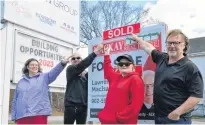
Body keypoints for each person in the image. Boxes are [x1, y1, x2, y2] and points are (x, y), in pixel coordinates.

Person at [131, 29, 204, 124]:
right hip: (159, 117)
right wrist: (137, 38)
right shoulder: (162, 58)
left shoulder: (190, 68)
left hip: (177, 120)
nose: (172, 46)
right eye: (169, 43)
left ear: (184, 45)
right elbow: (148, 47)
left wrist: (177, 113)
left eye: (176, 43)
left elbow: (196, 96)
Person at [11, 57, 69, 124]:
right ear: (27, 67)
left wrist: (62, 64)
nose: (34, 66)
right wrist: (14, 116)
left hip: (39, 115)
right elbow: (15, 100)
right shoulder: (21, 82)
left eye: (36, 65)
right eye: (32, 65)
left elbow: (54, 72)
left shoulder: (44, 78)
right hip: (22, 116)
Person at [98, 45, 144, 124]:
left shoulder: (135, 79)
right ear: (118, 66)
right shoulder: (115, 76)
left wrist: (118, 117)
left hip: (122, 122)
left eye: (127, 63)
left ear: (133, 66)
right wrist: (106, 54)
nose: (123, 65)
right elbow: (108, 68)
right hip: (107, 121)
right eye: (121, 63)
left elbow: (135, 106)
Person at [64, 44, 103, 124]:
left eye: (78, 58)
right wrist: (94, 53)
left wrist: (86, 75)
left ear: (81, 59)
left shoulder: (87, 74)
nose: (76, 59)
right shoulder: (70, 69)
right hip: (71, 107)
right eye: (73, 58)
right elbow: (81, 66)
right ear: (71, 61)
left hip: (83, 107)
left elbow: (94, 86)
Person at [139, 56, 156, 121]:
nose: (148, 90)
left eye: (152, 85)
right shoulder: (136, 106)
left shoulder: (163, 106)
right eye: (145, 85)